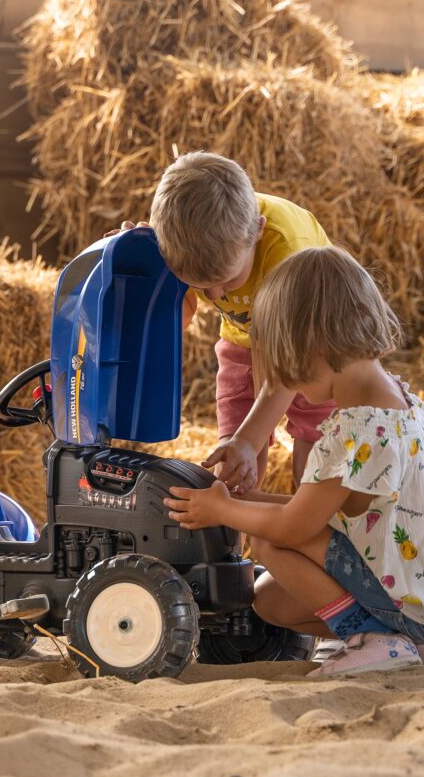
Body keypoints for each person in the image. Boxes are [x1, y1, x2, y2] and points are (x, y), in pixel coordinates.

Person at [163, 246, 424, 676]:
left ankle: (372, 639)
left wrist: (225, 510)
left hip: (401, 601)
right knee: (268, 600)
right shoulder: (400, 403)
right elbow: (325, 507)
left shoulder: (351, 433)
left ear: (314, 349)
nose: (292, 389)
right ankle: (396, 641)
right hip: (408, 587)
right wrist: (246, 499)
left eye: (290, 369)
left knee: (268, 543)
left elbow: (292, 528)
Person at [111, 151, 333, 491]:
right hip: (244, 339)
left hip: (313, 339)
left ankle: (309, 525)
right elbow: (177, 320)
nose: (214, 296)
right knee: (233, 454)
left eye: (228, 281)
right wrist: (145, 273)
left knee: (314, 437)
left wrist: (249, 439)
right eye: (200, 285)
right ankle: (243, 540)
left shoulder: (290, 252)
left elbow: (290, 367)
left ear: (257, 231)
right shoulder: (182, 243)